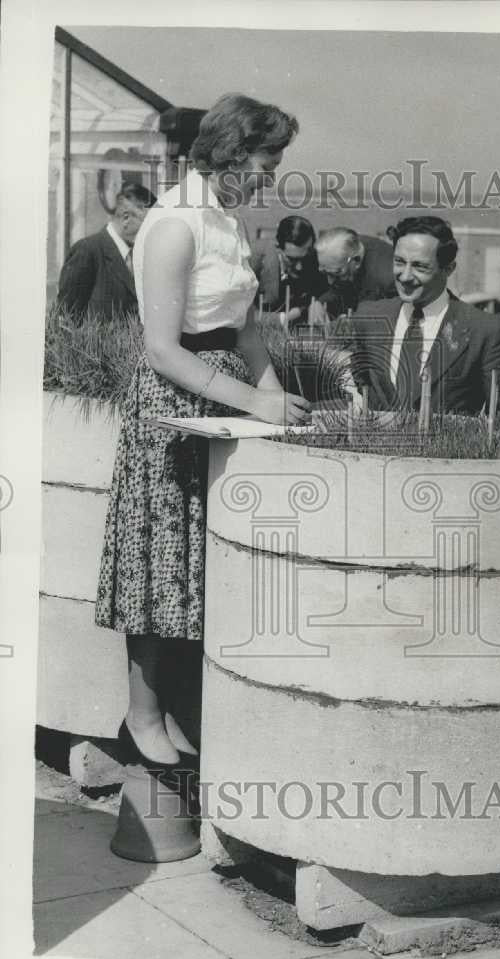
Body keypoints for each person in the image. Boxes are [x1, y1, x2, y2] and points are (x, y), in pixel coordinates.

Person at [95, 93, 311, 768]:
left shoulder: (224, 223)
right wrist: (252, 401)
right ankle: (142, 717)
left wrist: (274, 398)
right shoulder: (173, 225)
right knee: (159, 569)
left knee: (199, 565)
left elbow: (243, 330)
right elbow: (163, 349)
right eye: (266, 158)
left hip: (220, 407)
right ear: (228, 153)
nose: (272, 173)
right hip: (171, 408)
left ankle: (174, 713)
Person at [352, 216, 500, 415]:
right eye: (399, 262)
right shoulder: (368, 318)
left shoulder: (485, 332)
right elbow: (359, 392)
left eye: (420, 266)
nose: (405, 276)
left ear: (448, 269)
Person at [56, 182, 156, 321]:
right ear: (126, 218)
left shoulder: (138, 257)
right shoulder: (87, 251)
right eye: (148, 224)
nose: (152, 232)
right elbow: (65, 320)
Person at [251, 215, 327, 323]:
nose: (299, 267)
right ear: (278, 247)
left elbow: (327, 290)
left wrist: (317, 302)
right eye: (292, 259)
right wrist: (281, 319)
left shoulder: (315, 256)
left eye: (304, 258)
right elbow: (239, 314)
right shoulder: (254, 258)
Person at [316, 227, 397, 319]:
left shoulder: (385, 278)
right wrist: (320, 303)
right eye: (323, 271)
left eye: (336, 273)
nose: (329, 281)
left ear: (356, 261)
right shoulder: (349, 244)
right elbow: (338, 287)